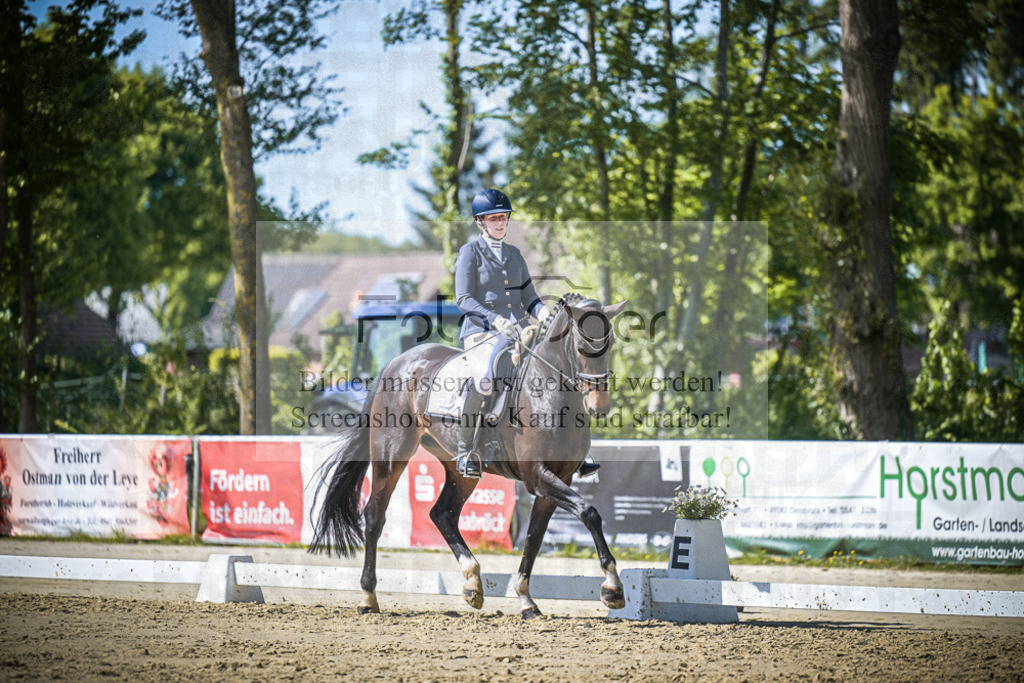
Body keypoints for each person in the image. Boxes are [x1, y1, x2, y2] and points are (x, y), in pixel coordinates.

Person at [453, 188, 600, 480]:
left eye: (503, 217)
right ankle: (466, 449)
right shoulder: (470, 253)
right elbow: (464, 299)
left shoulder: (514, 254)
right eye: (493, 218)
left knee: (558, 371)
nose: (500, 223)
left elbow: (529, 297)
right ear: (480, 222)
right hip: (482, 331)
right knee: (484, 380)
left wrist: (542, 312)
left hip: (520, 329)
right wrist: (494, 319)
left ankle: (574, 450)